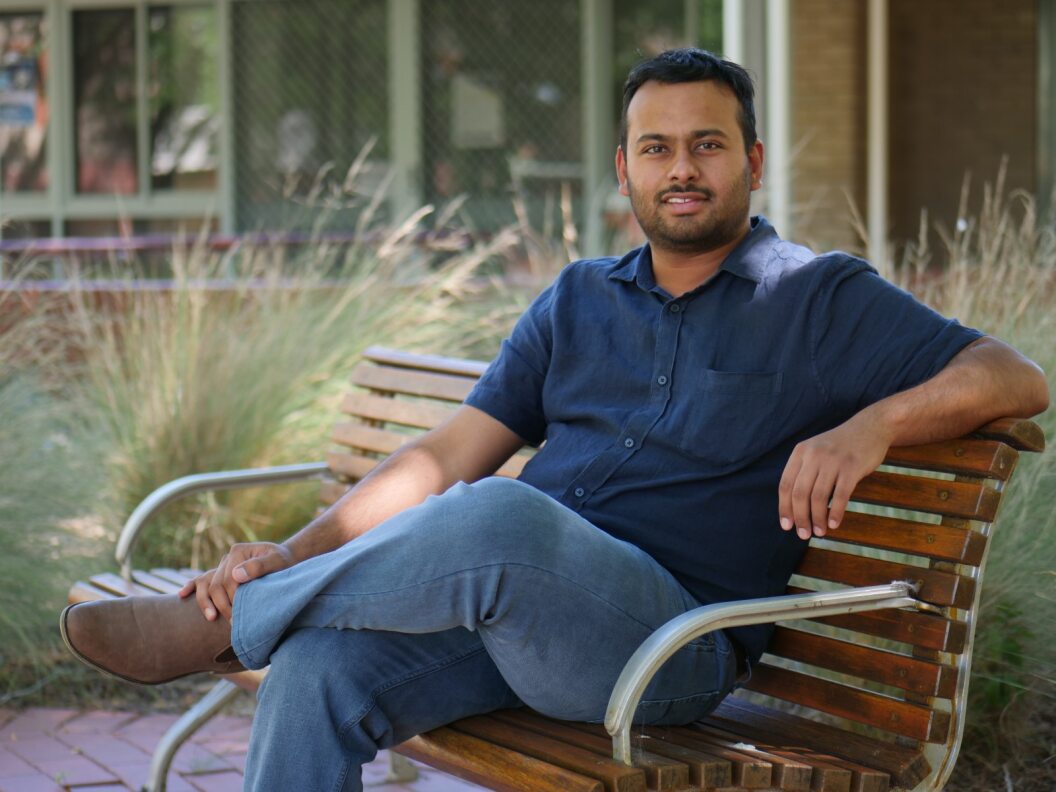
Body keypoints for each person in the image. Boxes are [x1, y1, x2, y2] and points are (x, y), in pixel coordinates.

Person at [60, 49, 1049, 791]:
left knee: (501, 515)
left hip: (666, 646)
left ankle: (228, 631)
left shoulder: (819, 297)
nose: (683, 170)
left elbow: (1013, 376)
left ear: (749, 159)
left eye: (708, 145)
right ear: (625, 168)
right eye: (658, 148)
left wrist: (868, 426)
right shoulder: (578, 298)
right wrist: (290, 550)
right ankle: (268, 616)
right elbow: (446, 452)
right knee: (319, 668)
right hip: (513, 624)